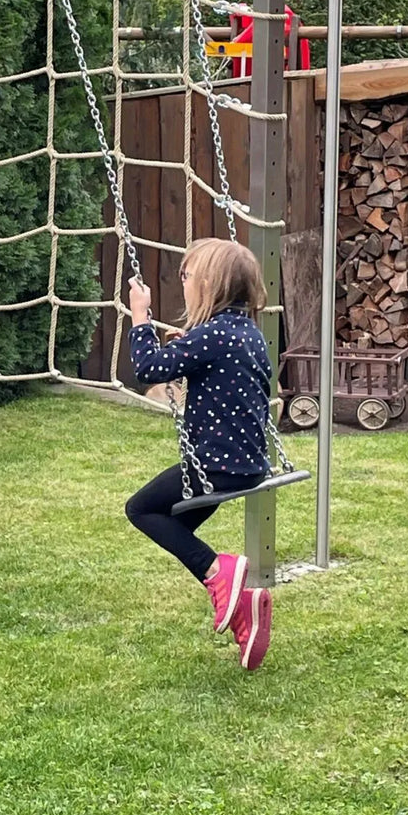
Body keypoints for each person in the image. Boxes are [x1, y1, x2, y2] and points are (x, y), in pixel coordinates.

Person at [124, 238, 274, 671]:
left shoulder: (212, 335)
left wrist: (140, 316)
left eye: (186, 276)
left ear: (207, 284)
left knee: (141, 510)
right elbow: (218, 366)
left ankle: (220, 572)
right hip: (247, 466)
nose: (182, 282)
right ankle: (242, 608)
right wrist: (187, 344)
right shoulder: (245, 332)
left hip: (215, 466)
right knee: (178, 532)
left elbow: (148, 369)